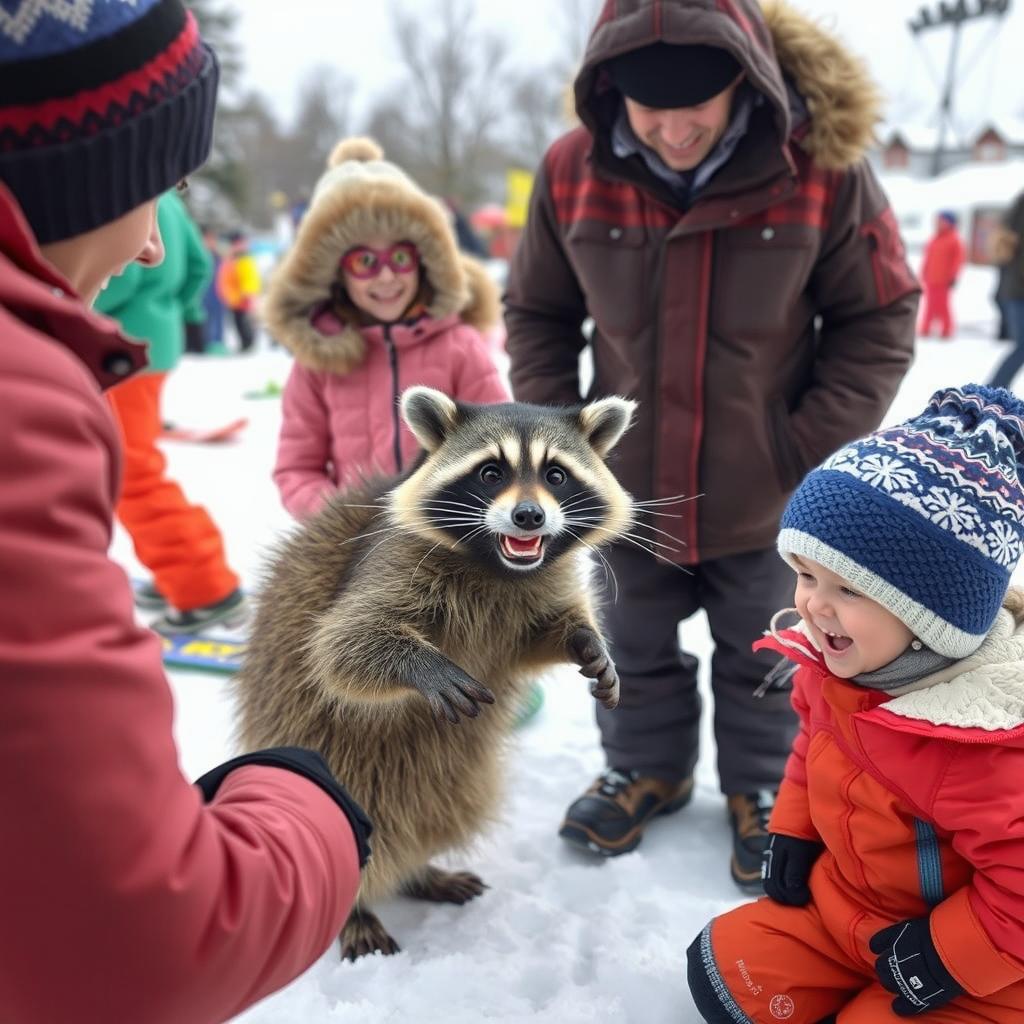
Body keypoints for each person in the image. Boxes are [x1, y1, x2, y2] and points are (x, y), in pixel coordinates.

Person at [0, 4, 371, 1022]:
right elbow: (140, 945)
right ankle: (204, 588)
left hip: (127, 359)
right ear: (77, 175)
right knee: (142, 481)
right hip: (106, 365)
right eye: (158, 187)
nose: (159, 247)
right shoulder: (17, 399)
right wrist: (307, 801)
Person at [503, 0, 919, 891]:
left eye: (698, 101)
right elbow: (538, 312)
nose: (672, 126)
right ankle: (646, 766)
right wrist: (561, 445)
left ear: (747, 77)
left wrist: (803, 451)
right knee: (630, 638)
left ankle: (767, 787)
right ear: (610, 86)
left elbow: (878, 314)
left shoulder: (820, 169)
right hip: (624, 489)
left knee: (770, 647)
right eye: (650, 105)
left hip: (767, 489)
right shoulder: (572, 170)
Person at [687, 384, 1024, 1024]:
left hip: (972, 964)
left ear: (930, 616)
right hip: (847, 910)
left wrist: (947, 956)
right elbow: (810, 750)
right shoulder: (839, 664)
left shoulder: (982, 737)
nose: (813, 604)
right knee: (724, 971)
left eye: (848, 588)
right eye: (807, 574)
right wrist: (793, 828)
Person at [263, 136, 510, 521]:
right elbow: (296, 469)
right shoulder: (319, 360)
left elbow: (501, 450)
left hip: (446, 546)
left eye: (399, 257)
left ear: (426, 259)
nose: (386, 276)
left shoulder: (459, 347)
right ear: (335, 271)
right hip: (354, 548)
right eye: (364, 261)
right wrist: (343, 519)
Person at [95, 191, 246, 634]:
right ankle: (177, 571)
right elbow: (199, 265)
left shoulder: (127, 192)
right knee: (133, 461)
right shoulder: (167, 199)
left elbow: (112, 274)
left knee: (129, 472)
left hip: (118, 346)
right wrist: (175, 309)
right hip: (153, 341)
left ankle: (204, 584)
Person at [989, 189, 1024, 391]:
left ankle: (995, 386)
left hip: (1013, 290)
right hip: (1018, 291)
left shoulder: (1016, 209)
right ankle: (995, 387)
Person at [918, 210, 966, 339]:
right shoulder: (934, 239)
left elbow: (958, 261)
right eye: (937, 221)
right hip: (931, 278)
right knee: (929, 306)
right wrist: (923, 272)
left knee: (943, 306)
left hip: (944, 279)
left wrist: (953, 276)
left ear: (950, 223)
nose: (938, 223)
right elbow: (927, 258)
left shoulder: (954, 239)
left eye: (941, 221)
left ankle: (946, 330)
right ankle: (925, 328)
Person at [217, 229, 261, 352]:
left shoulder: (243, 258)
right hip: (234, 298)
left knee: (243, 322)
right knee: (238, 322)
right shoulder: (233, 258)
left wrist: (248, 294)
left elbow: (249, 278)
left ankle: (247, 343)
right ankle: (245, 343)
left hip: (242, 298)